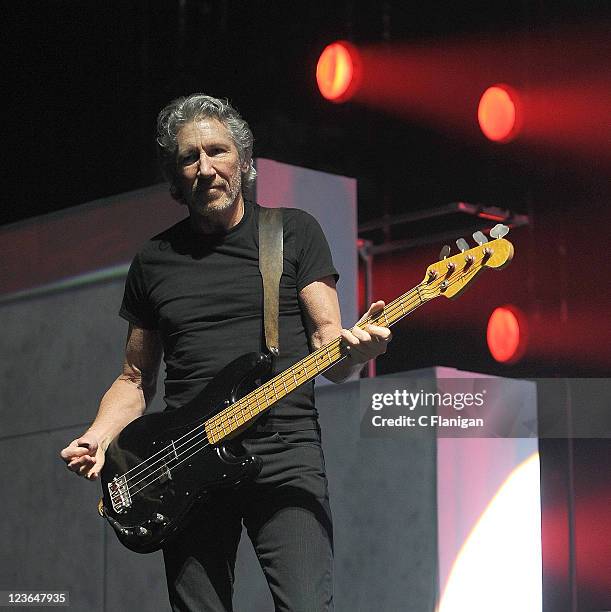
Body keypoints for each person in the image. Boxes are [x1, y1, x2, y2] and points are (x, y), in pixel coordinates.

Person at [60, 94, 391, 611]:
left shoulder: (292, 233)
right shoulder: (154, 262)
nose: (205, 168)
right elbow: (133, 379)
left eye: (217, 151)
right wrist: (98, 438)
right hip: (185, 459)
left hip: (284, 454)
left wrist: (361, 351)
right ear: (175, 176)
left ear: (244, 161)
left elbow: (333, 348)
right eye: (189, 157)